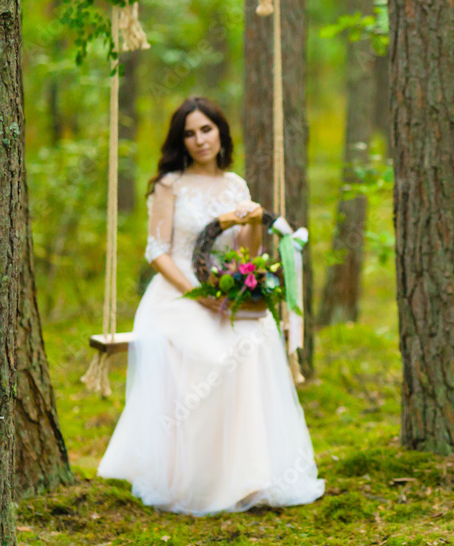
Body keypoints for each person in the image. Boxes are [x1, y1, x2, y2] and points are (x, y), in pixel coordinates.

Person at [97, 96, 324, 515]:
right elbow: (157, 252)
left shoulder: (236, 185)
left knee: (257, 335)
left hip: (224, 288)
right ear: (180, 141)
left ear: (220, 132)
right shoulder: (170, 185)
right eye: (189, 133)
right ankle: (199, 479)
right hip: (179, 290)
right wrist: (198, 295)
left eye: (206, 129)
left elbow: (246, 251)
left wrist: (253, 224)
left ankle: (250, 475)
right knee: (209, 353)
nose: (200, 140)